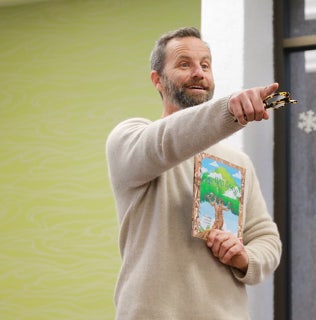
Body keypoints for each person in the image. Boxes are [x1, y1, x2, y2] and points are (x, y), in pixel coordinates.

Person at [106, 26, 282, 319]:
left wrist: (244, 257)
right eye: (184, 64)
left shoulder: (236, 162)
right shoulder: (130, 140)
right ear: (157, 80)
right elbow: (169, 141)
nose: (199, 73)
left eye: (205, 65)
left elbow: (267, 240)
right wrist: (229, 110)